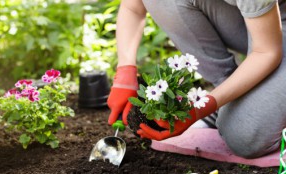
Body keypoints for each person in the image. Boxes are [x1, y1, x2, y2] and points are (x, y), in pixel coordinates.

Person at [107, 0, 286, 159]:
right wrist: (125, 72)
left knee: (244, 138)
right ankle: (230, 100)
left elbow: (266, 52)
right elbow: (133, 6)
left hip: (275, 30)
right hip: (258, 20)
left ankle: (241, 107)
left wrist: (201, 109)